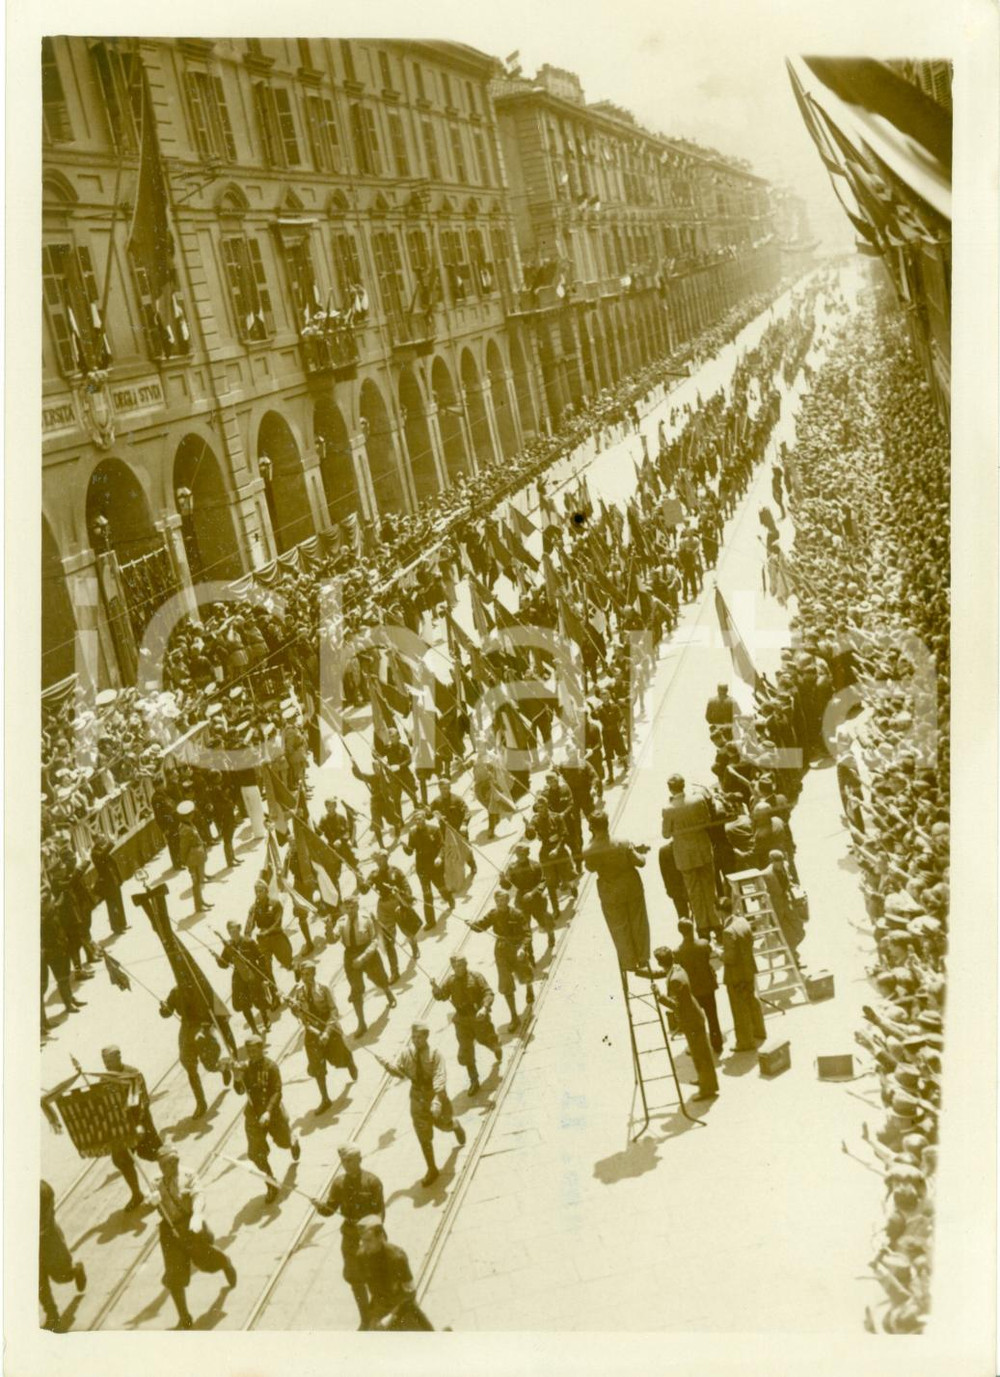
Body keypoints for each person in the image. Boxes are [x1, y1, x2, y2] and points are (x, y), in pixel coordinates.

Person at [155, 1146, 237, 1329]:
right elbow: (151, 1205)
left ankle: (225, 1262)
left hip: (191, 1226)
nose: (167, 1167)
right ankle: (184, 1316)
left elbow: (199, 1195)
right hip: (170, 1232)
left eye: (171, 1163)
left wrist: (197, 1215)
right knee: (174, 1275)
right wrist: (150, 1201)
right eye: (163, 1164)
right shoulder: (156, 1184)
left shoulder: (188, 1175)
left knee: (206, 1262)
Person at [376, 1023, 466, 1187]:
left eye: (419, 1037)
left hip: (435, 1095)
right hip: (417, 1098)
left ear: (426, 1036)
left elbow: (440, 1077)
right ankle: (432, 1168)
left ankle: (455, 1126)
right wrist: (387, 1066)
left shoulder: (435, 1054)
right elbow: (400, 1073)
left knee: (443, 1124)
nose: (416, 1040)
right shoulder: (406, 1053)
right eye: (413, 1037)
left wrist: (438, 1100)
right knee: (423, 1135)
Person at [312, 1144, 386, 1329]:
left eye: (350, 1161)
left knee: (377, 1276)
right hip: (351, 1237)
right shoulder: (339, 1184)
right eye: (344, 1161)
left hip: (372, 1236)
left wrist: (370, 1233)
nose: (347, 1164)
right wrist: (319, 1206)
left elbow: (380, 1212)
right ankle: (365, 1318)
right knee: (355, 1279)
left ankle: (380, 1312)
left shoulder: (372, 1182)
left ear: (360, 1160)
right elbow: (330, 1209)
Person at [232, 1035, 301, 1203]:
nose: (252, 1054)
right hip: (253, 1115)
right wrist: (237, 1077)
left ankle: (293, 1140)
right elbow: (240, 1091)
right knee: (256, 1154)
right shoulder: (245, 1068)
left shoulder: (271, 1067)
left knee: (283, 1142)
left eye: (255, 1051)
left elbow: (277, 1092)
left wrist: (268, 1112)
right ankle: (271, 1183)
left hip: (273, 1113)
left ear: (261, 1050)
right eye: (249, 1052)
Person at [284, 959, 358, 1111]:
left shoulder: (324, 988)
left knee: (338, 1059)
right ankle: (325, 1098)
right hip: (312, 1031)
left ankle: (348, 1061)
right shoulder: (298, 992)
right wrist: (293, 1008)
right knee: (317, 1066)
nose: (305, 977)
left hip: (328, 1027)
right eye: (303, 974)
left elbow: (334, 1011)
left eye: (308, 974)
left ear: (314, 973)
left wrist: (326, 1032)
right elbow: (300, 1016)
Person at [581, 811, 651, 972]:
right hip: (631, 887)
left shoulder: (589, 850)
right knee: (638, 922)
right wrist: (634, 850)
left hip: (610, 891)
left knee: (619, 927)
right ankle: (643, 958)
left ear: (591, 827)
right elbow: (640, 862)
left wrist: (592, 840)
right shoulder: (622, 842)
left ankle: (628, 962)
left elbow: (590, 868)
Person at [647, 947, 719, 1100]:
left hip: (691, 1020)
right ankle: (705, 1081)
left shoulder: (674, 980)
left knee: (701, 1055)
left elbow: (675, 1004)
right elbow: (661, 974)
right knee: (699, 1053)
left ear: (660, 963)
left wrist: (659, 995)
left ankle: (708, 1089)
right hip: (693, 1016)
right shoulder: (676, 968)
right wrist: (639, 972)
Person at [100, 1045, 163, 1209]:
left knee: (155, 1153)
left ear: (119, 1058)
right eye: (104, 1061)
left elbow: (143, 1100)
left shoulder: (133, 1073)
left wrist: (139, 1123)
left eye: (109, 1060)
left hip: (139, 1121)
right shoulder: (104, 1078)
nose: (106, 1064)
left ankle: (172, 1179)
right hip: (122, 1127)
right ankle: (136, 1193)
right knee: (121, 1159)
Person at [159, 982, 232, 1118]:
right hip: (186, 1029)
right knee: (190, 1068)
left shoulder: (201, 987)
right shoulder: (176, 991)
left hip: (203, 1029)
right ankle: (201, 1103)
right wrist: (164, 1008)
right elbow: (167, 1012)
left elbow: (216, 1009)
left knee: (210, 1066)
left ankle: (223, 1068)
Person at [430, 954, 502, 1094]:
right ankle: (474, 1080)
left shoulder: (476, 977)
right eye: (455, 966)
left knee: (484, 1040)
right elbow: (442, 996)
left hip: (478, 1017)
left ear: (466, 965)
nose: (458, 968)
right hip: (461, 1020)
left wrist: (484, 1008)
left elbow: (489, 993)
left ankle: (496, 1047)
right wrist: (434, 987)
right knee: (466, 1049)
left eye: (460, 965)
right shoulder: (450, 981)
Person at [661, 775, 720, 941]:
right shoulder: (697, 800)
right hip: (702, 849)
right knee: (709, 888)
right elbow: (707, 820)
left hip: (684, 856)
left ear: (670, 788)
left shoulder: (668, 808)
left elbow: (665, 834)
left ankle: (703, 928)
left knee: (694, 892)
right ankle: (716, 923)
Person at [468, 888, 535, 1031]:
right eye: (498, 901)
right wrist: (472, 924)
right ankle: (514, 1017)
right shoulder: (494, 914)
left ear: (508, 900)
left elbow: (527, 934)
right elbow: (482, 925)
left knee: (526, 975)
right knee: (505, 985)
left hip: (517, 949)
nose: (500, 903)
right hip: (501, 951)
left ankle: (529, 988)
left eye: (503, 900)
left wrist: (523, 948)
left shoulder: (517, 914)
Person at [329, 896, 398, 1034]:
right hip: (350, 955)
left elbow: (374, 941)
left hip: (368, 953)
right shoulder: (341, 922)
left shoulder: (366, 919)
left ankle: (387, 992)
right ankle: (361, 1023)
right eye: (347, 908)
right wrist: (328, 929)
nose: (350, 911)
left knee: (380, 978)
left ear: (358, 906)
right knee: (356, 990)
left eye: (352, 907)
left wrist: (363, 958)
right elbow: (332, 940)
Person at [356, 1217, 434, 1330]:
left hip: (402, 1308)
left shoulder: (397, 1257)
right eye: (362, 1240)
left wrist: (392, 1316)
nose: (364, 1245)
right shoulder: (361, 1257)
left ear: (380, 1237)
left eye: (368, 1240)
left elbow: (410, 1292)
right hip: (380, 1308)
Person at [357, 854, 421, 983]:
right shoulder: (374, 875)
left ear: (386, 858)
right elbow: (364, 890)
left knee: (407, 930)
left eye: (381, 859)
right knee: (388, 940)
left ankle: (414, 945)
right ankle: (394, 971)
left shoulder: (395, 871)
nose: (379, 862)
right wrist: (358, 879)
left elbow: (406, 887)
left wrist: (405, 896)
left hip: (398, 903)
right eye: (377, 860)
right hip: (384, 908)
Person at [39, 1178, 87, 1329]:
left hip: (48, 1238)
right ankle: (52, 1314)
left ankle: (76, 1270)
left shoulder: (40, 1189)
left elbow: (48, 1196)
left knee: (62, 1277)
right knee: (37, 1282)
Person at [675, 918, 724, 1054]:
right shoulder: (704, 944)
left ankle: (699, 1047)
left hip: (693, 990)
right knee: (713, 1017)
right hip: (708, 987)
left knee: (696, 1021)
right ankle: (717, 1044)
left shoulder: (678, 952)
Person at [215, 921, 272, 1036]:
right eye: (230, 931)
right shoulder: (228, 946)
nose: (233, 933)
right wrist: (217, 959)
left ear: (239, 929)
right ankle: (253, 1028)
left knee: (260, 1000)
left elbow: (261, 958)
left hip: (253, 974)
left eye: (235, 930)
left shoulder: (248, 941)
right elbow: (224, 964)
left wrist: (264, 977)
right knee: (244, 1004)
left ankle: (265, 1019)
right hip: (239, 977)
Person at [721, 907, 766, 1050]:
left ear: (719, 911)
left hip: (736, 975)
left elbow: (730, 957)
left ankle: (745, 1042)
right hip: (749, 969)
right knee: (752, 1001)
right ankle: (759, 1031)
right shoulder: (742, 921)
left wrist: (719, 953)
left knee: (739, 1009)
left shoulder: (728, 931)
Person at [402, 809, 453, 928]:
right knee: (427, 894)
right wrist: (405, 847)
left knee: (441, 887)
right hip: (422, 868)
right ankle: (430, 921)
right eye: (416, 820)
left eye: (420, 819)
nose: (418, 821)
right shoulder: (412, 833)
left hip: (434, 865)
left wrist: (439, 857)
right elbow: (410, 851)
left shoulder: (434, 830)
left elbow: (442, 846)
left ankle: (449, 898)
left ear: (424, 818)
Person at [245, 878, 294, 983]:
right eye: (256, 891)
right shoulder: (254, 908)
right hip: (263, 941)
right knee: (266, 967)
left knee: (287, 963)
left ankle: (296, 970)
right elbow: (250, 922)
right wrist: (247, 935)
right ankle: (274, 991)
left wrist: (267, 931)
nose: (258, 894)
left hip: (277, 937)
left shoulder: (275, 904)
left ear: (266, 891)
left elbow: (278, 921)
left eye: (260, 891)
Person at [177, 801, 211, 914]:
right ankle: (198, 906)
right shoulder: (185, 829)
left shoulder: (189, 824)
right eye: (191, 814)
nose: (193, 815)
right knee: (196, 883)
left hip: (197, 856)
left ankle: (201, 901)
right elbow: (183, 847)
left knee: (198, 881)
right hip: (192, 859)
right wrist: (184, 860)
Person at [90, 836, 128, 935]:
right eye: (100, 837)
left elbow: (113, 864)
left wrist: (119, 878)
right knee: (112, 905)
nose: (102, 838)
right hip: (107, 882)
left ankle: (122, 923)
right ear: (95, 840)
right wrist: (111, 843)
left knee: (119, 902)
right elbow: (102, 856)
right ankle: (116, 927)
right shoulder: (94, 853)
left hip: (113, 879)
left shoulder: (101, 849)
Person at [657, 838, 691, 922]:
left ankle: (687, 934)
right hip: (690, 885)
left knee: (683, 918)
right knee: (699, 916)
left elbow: (664, 873)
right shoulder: (688, 846)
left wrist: (668, 889)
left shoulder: (663, 851)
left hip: (676, 889)